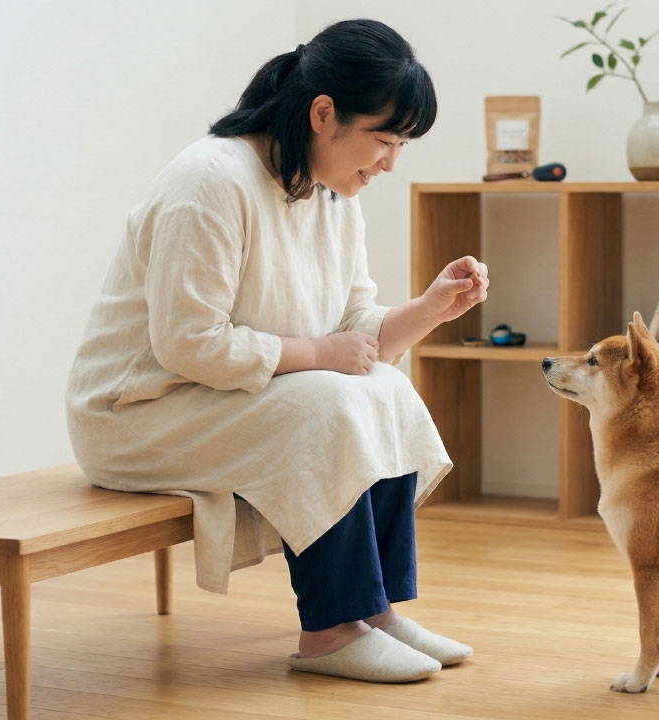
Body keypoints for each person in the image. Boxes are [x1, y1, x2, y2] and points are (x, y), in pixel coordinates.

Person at [65, 18, 486, 684]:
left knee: (385, 389)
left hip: (222, 400)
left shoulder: (331, 194)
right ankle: (330, 632)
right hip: (138, 414)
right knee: (326, 404)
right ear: (324, 114)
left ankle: (374, 612)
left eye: (401, 145)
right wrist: (318, 352)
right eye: (384, 140)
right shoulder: (209, 182)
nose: (390, 164)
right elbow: (188, 344)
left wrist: (431, 309)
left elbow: (356, 335)